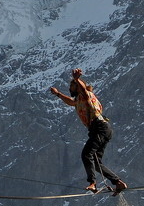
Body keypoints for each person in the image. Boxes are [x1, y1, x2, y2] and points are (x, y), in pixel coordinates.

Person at [49, 68, 128, 196]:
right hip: (102, 129)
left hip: (99, 127)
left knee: (87, 154)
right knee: (96, 163)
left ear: (78, 87)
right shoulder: (78, 100)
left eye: (72, 86)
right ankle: (118, 182)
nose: (70, 88)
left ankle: (92, 182)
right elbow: (70, 101)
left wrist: (76, 79)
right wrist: (58, 94)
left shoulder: (86, 96)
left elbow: (83, 90)